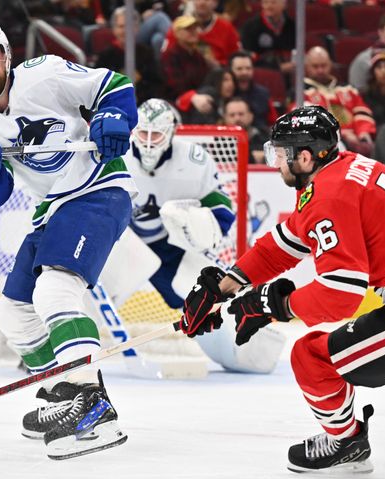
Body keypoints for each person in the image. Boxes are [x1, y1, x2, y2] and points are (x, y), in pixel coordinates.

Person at [179, 105, 385, 473]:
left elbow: (340, 296)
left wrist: (275, 305)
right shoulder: (340, 167)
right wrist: (225, 286)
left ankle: (346, 441)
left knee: (311, 357)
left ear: (304, 156)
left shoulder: (328, 196)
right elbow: (284, 243)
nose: (276, 162)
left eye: (280, 153)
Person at [0, 19, 137, 460]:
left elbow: (114, 84)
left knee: (55, 288)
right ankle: (62, 394)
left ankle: (91, 402)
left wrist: (110, 116)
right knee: (12, 313)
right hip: (50, 208)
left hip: (98, 189)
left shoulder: (46, 73)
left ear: (7, 55)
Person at [117, 98, 283, 373]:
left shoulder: (194, 159)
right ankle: (59, 347)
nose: (147, 142)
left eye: (155, 134)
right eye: (143, 133)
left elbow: (221, 211)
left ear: (170, 132)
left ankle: (245, 350)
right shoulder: (117, 155)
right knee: (86, 284)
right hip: (124, 242)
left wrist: (196, 228)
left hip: (172, 245)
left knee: (196, 302)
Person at [301, 46, 376, 156]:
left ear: (330, 65)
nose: (320, 70)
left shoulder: (348, 89)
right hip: (325, 147)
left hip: (356, 141)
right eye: (315, 66)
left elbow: (362, 112)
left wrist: (363, 133)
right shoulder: (300, 92)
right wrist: (343, 135)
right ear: (307, 67)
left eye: (324, 65)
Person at [161, 15, 217, 103]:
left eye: (195, 28)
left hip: (199, 97)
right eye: (188, 29)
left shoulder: (198, 56)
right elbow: (175, 86)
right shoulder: (170, 55)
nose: (193, 32)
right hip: (176, 101)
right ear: (177, 33)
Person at [240, 0, 295, 76]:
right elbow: (248, 58)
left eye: (273, 2)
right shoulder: (250, 27)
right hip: (260, 75)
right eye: (265, 2)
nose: (269, 6)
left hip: (290, 75)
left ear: (284, 4)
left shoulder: (292, 26)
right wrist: (277, 68)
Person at [222, 96, 269, 164]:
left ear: (250, 116)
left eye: (241, 114)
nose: (237, 118)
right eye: (232, 115)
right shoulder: (218, 142)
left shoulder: (265, 137)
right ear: (225, 118)